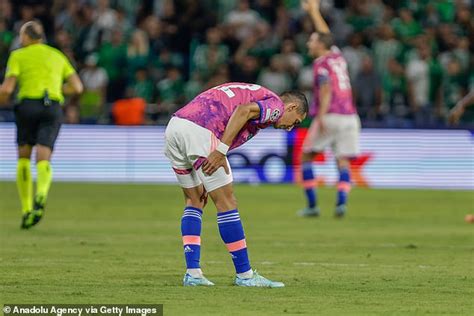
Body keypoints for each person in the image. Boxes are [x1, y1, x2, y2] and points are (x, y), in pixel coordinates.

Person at [164, 82, 308, 287]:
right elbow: (243, 110)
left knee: (194, 200)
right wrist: (220, 151)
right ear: (292, 107)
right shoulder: (276, 105)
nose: (291, 127)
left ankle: (193, 273)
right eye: (296, 121)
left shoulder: (258, 95)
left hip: (175, 127)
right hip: (201, 130)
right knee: (227, 202)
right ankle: (245, 275)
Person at [0, 21, 83, 229]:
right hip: (51, 106)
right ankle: (42, 194)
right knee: (44, 156)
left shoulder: (18, 55)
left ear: (27, 37)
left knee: (24, 157)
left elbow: (8, 88)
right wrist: (58, 89)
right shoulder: (57, 55)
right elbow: (78, 87)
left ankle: (27, 209)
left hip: (27, 106)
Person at [298, 0, 360, 218]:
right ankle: (341, 204)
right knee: (342, 161)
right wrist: (314, 11)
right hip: (351, 117)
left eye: (312, 41)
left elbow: (326, 90)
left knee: (306, 157)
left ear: (320, 46)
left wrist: (321, 117)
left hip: (331, 114)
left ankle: (312, 205)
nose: (309, 43)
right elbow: (325, 32)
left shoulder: (321, 63)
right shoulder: (337, 56)